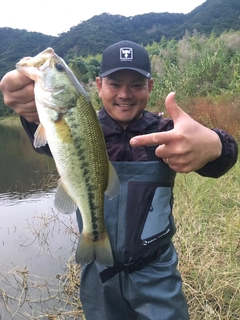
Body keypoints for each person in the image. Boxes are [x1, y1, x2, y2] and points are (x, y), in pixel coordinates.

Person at [0, 40, 238, 320]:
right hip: (99, 273)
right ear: (98, 85)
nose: (125, 94)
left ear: (150, 87)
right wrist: (31, 113)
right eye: (114, 84)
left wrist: (217, 145)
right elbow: (45, 138)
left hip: (156, 270)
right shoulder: (81, 126)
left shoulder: (166, 132)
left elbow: (218, 161)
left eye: (136, 84)